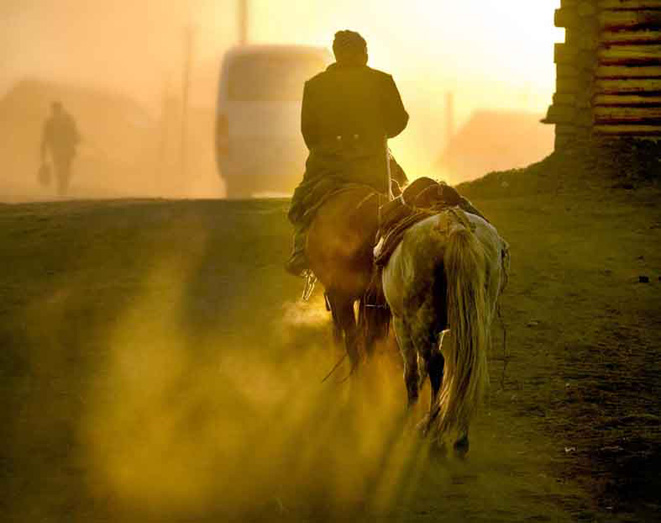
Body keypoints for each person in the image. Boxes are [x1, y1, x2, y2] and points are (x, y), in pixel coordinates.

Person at [286, 30, 409, 276]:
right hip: (373, 168)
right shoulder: (382, 80)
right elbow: (398, 122)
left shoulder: (314, 86)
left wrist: (331, 149)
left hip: (326, 167)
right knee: (401, 196)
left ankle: (301, 251)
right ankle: (404, 249)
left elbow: (308, 132)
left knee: (302, 204)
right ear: (363, 53)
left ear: (337, 54)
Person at [40, 101, 80, 197]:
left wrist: (43, 150)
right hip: (61, 149)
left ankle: (62, 188)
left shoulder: (53, 121)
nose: (55, 111)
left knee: (62, 169)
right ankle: (62, 188)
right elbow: (46, 137)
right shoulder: (64, 120)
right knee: (62, 169)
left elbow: (46, 138)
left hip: (61, 149)